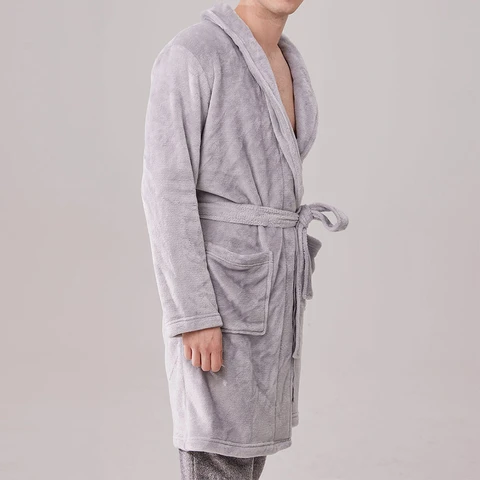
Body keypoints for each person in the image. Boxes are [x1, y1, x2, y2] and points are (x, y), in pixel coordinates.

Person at [141, 1, 349, 478]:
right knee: (216, 452)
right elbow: (165, 191)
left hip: (267, 294)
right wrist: (193, 313)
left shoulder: (285, 58)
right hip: (219, 295)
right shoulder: (192, 54)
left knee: (247, 456)